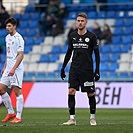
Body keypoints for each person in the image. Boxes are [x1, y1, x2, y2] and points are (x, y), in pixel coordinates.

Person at [60, 13, 100, 126]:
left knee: (90, 94)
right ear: (76, 22)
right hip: (74, 69)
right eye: (78, 20)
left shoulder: (92, 37)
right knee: (71, 91)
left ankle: (92, 118)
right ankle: (72, 119)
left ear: (86, 22)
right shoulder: (72, 36)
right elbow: (69, 52)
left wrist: (97, 70)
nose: (80, 22)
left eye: (82, 21)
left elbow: (97, 54)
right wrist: (63, 67)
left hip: (87, 69)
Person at [0, 17, 24, 123]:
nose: (7, 28)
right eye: (6, 26)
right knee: (1, 89)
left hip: (16, 69)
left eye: (9, 26)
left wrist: (13, 69)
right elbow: (8, 54)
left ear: (14, 26)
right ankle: (10, 113)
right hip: (8, 68)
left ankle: (18, 116)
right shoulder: (7, 38)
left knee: (17, 91)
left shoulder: (19, 38)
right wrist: (5, 66)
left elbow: (21, 55)